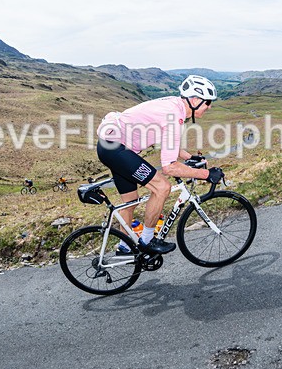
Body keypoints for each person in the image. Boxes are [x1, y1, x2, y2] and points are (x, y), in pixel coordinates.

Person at [95, 75, 223, 255]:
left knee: (130, 201)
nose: (210, 106)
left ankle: (125, 247)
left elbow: (169, 141)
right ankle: (147, 240)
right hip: (116, 149)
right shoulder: (174, 115)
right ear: (195, 100)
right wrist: (207, 175)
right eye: (208, 102)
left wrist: (189, 157)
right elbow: (169, 167)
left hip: (110, 146)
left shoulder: (175, 106)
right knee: (162, 187)